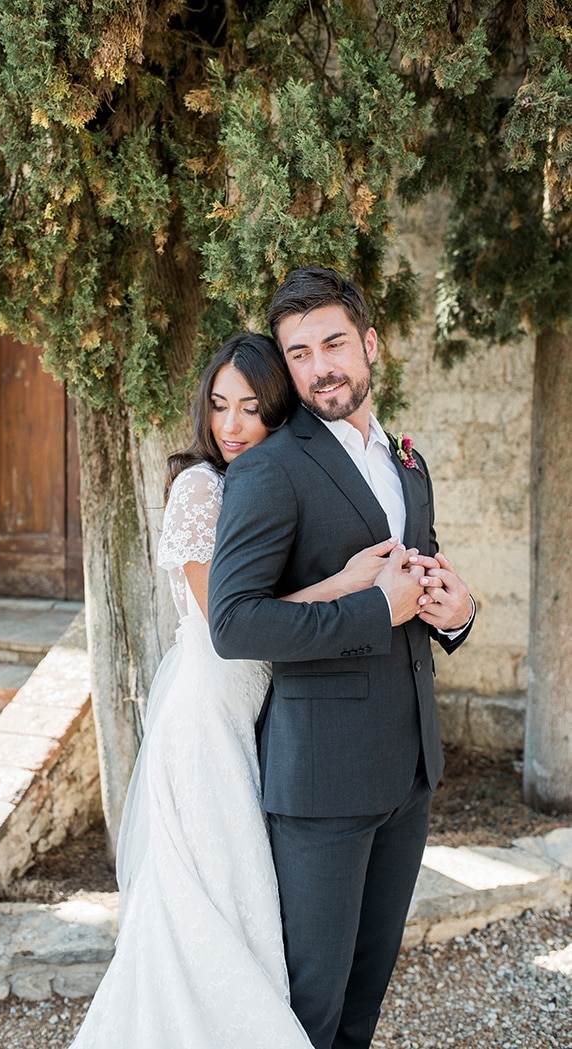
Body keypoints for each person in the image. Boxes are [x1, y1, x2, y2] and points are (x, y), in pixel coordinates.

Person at [69, 331, 433, 1049]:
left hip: (265, 715)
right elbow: (227, 622)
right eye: (218, 406)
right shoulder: (199, 489)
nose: (231, 426)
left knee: (258, 920)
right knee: (206, 908)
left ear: (280, 412)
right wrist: (353, 585)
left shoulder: (271, 480)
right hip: (210, 718)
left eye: (251, 408)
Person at [208, 267, 475, 1049]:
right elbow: (234, 622)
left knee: (363, 1001)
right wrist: (367, 608)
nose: (319, 366)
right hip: (322, 785)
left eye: (332, 343)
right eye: (297, 353)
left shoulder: (407, 463)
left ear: (369, 344)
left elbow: (418, 589)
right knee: (308, 1009)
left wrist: (457, 615)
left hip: (409, 773)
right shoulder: (270, 469)